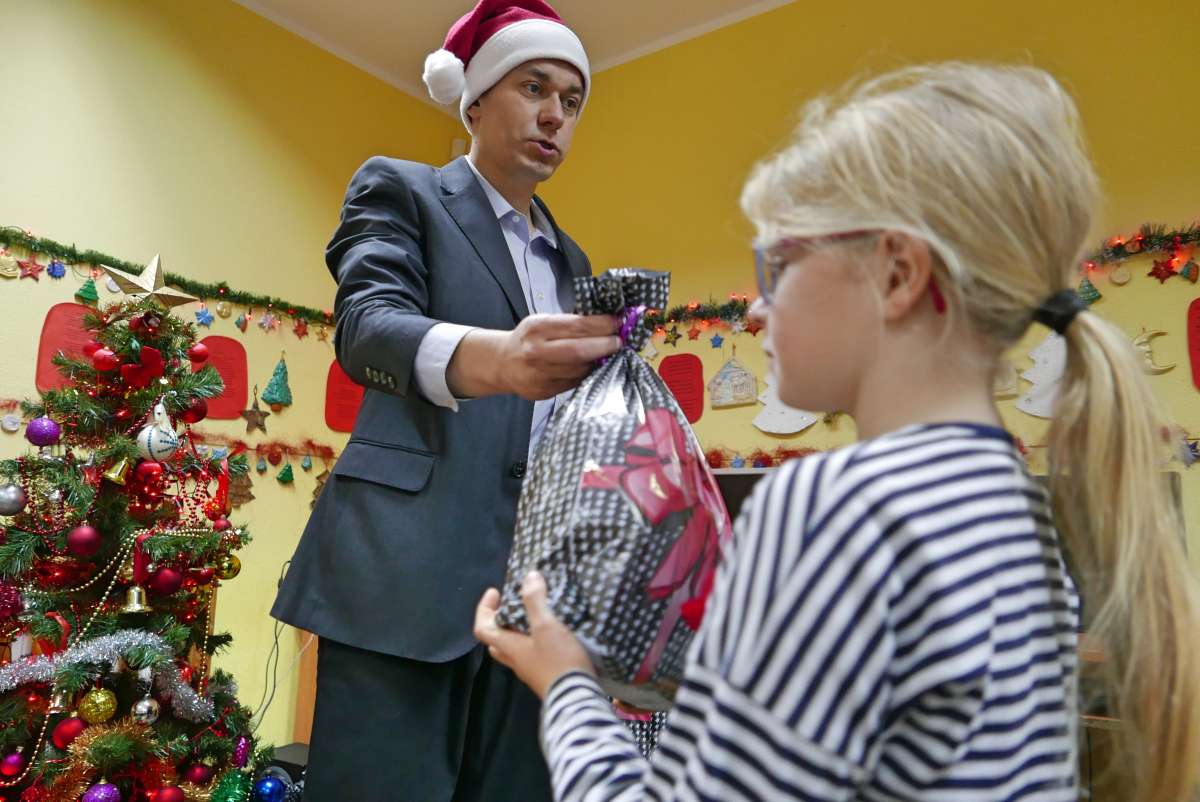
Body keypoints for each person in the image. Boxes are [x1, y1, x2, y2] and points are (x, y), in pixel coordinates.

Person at [475, 62, 1200, 801]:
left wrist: (566, 686)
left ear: (897, 274)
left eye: (779, 265)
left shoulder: (831, 508)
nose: (756, 311)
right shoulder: (1016, 510)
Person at [270, 2, 619, 799]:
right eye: (534, 87)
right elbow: (368, 327)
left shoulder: (574, 262)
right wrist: (499, 360)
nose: (555, 115)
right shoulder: (403, 190)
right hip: (402, 580)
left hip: (534, 607)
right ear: (476, 99)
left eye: (572, 101)